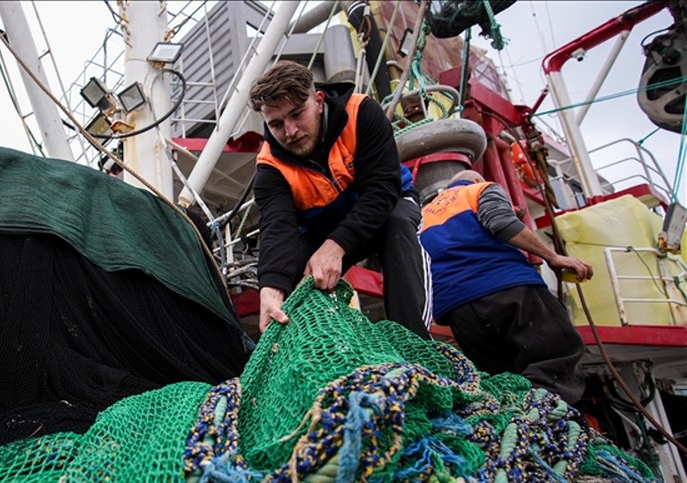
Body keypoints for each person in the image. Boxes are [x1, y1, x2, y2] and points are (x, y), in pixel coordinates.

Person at [249, 61, 431, 338]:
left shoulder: (361, 112)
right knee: (291, 274)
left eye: (297, 114)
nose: (290, 131)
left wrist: (336, 246)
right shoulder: (269, 168)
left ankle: (413, 341)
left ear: (318, 101)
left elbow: (382, 189)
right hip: (321, 228)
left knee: (397, 227)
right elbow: (278, 227)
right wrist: (271, 287)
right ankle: (315, 351)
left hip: (388, 206)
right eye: (276, 124)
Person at [419, 169, 593, 402]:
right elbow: (501, 223)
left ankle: (516, 424)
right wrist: (553, 257)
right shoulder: (479, 189)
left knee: (501, 378)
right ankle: (546, 416)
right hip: (507, 287)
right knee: (555, 359)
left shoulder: (422, 215)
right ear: (477, 179)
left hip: (459, 310)